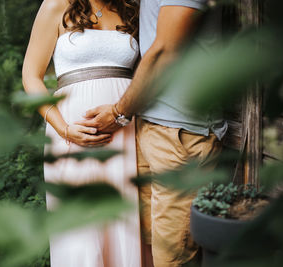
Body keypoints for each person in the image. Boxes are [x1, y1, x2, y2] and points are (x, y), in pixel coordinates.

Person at [77, 0, 228, 266]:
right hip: (149, 126)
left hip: (179, 133)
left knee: (171, 258)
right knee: (147, 251)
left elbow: (164, 52)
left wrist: (117, 113)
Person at [22, 0, 141, 266]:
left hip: (127, 133)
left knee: (125, 223)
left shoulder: (130, 9)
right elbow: (31, 76)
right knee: (81, 232)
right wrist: (63, 128)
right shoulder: (56, 5)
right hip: (72, 134)